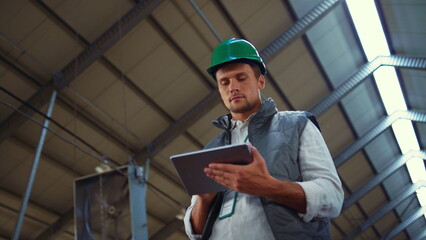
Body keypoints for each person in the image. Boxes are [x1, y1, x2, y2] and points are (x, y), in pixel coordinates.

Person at [183, 38, 344, 240]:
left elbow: (332, 197)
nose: (232, 87)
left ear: (260, 81)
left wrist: (268, 187)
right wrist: (203, 200)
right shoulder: (210, 151)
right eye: (224, 82)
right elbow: (194, 233)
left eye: (241, 78)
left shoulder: (296, 125)